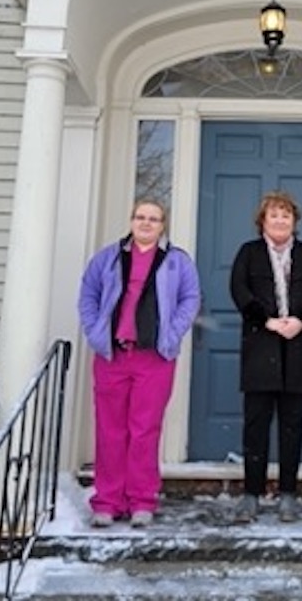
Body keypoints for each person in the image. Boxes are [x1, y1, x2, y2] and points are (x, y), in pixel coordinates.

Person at [77, 199, 201, 528]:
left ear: (163, 225)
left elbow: (190, 299)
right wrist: (95, 331)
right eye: (140, 217)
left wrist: (171, 334)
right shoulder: (108, 258)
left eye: (153, 219)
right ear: (132, 221)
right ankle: (108, 501)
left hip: (155, 357)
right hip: (113, 355)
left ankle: (142, 500)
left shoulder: (177, 261)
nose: (146, 223)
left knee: (144, 429)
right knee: (110, 430)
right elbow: (88, 295)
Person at [229, 191, 302, 524]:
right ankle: (251, 495)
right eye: (274, 215)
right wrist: (266, 321)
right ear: (263, 221)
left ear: (294, 221)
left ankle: (288, 494)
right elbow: (239, 290)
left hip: (298, 349)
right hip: (261, 348)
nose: (280, 220)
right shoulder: (249, 253)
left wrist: (301, 321)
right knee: (255, 426)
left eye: (286, 215)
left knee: (292, 426)